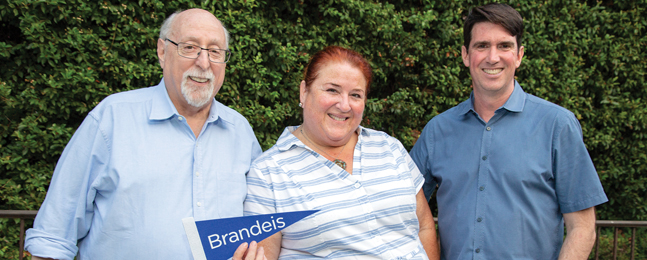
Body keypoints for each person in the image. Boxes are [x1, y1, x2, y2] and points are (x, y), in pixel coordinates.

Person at [24, 9, 267, 260]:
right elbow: (53, 237)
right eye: (190, 47)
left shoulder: (240, 131)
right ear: (163, 51)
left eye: (215, 51)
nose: (204, 62)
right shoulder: (112, 119)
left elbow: (258, 228)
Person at [409, 3, 608, 260]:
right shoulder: (438, 130)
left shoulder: (557, 125)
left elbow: (582, 227)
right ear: (466, 55)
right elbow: (402, 209)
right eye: (482, 46)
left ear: (519, 55)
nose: (493, 57)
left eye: (504, 46)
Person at [244, 46, 440, 259]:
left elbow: (424, 227)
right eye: (332, 90)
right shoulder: (268, 173)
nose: (344, 105)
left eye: (355, 95)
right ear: (304, 91)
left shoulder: (389, 147)